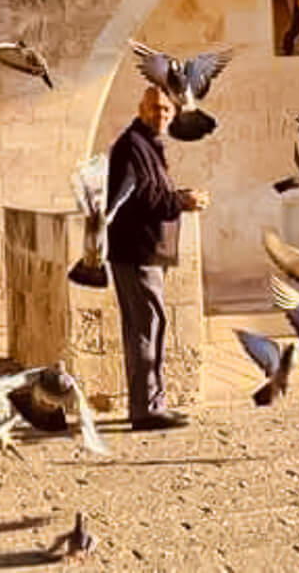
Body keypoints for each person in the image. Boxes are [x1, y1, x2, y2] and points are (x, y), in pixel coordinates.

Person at [107, 86, 209, 430]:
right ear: (141, 108)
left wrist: (179, 196)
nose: (161, 114)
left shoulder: (146, 144)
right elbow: (146, 196)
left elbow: (152, 191)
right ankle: (147, 409)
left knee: (146, 325)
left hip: (142, 250)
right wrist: (183, 201)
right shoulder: (133, 144)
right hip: (136, 251)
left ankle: (150, 404)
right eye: (155, 108)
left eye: (166, 109)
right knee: (146, 327)